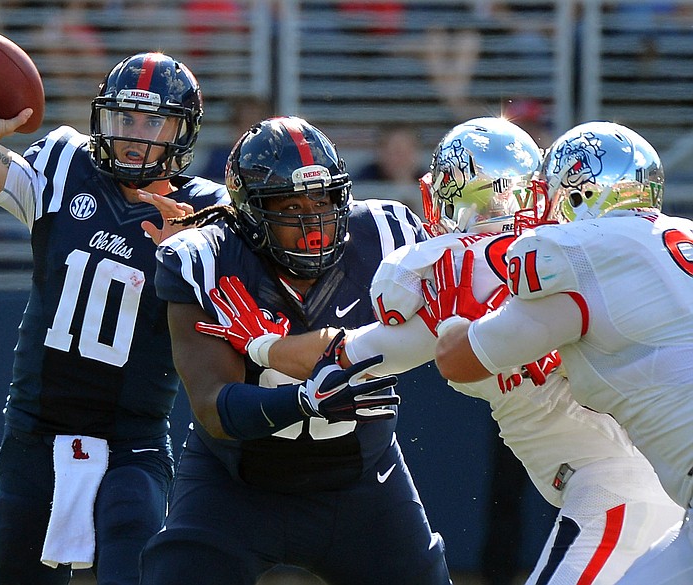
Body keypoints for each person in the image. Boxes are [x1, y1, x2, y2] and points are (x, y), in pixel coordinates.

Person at [199, 117, 685, 584]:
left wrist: (263, 346)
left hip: (619, 481)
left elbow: (360, 355)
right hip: (636, 475)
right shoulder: (578, 252)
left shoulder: (506, 264)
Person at [0, 51, 228, 585]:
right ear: (102, 118)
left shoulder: (208, 212)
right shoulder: (67, 166)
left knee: (133, 562)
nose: (136, 134)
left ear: (182, 129)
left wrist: (187, 264)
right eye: (125, 117)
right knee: (15, 573)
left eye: (153, 120)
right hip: (37, 428)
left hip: (132, 437)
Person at [138, 116, 453, 585]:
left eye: (323, 201)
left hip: (364, 487)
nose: (313, 222)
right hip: (234, 487)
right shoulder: (206, 256)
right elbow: (211, 406)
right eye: (290, 205)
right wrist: (302, 400)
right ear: (252, 214)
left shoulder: (389, 237)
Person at [429, 121, 693, 585]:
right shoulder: (682, 234)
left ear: (572, 196)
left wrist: (453, 319)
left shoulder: (571, 251)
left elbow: (460, 359)